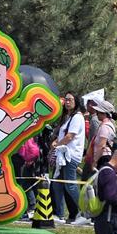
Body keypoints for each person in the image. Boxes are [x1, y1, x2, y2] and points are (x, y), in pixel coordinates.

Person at [50, 92, 85, 223]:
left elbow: (70, 136)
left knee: (70, 185)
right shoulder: (68, 117)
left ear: (76, 101)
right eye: (66, 100)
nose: (68, 102)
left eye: (70, 99)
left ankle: (83, 213)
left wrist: (57, 145)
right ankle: (59, 214)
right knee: (57, 185)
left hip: (70, 156)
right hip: (63, 155)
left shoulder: (77, 117)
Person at [87, 100, 117, 169]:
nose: (96, 114)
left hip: (103, 158)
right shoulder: (109, 124)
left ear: (104, 113)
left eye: (98, 112)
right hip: (105, 157)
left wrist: (95, 161)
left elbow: (101, 146)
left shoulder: (104, 127)